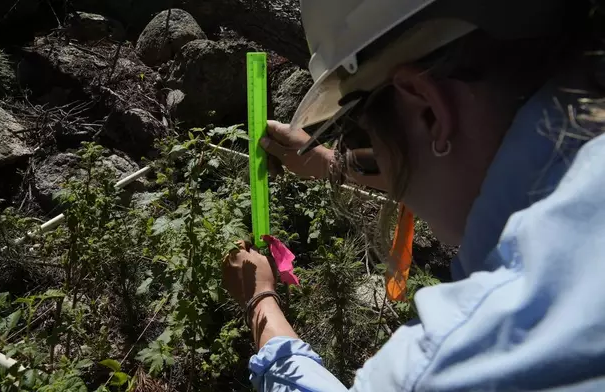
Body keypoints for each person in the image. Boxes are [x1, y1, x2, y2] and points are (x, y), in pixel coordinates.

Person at [223, 0, 605, 390]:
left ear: (428, 111)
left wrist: (260, 300)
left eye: (360, 126)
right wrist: (328, 162)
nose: (368, 143)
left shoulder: (456, 362)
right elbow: (458, 157)